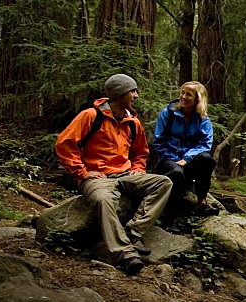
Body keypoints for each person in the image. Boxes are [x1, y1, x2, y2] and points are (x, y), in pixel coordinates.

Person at [56, 73, 172, 276]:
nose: (136, 95)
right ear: (119, 94)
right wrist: (81, 172)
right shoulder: (91, 116)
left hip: (126, 174)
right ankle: (124, 254)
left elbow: (140, 151)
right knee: (103, 199)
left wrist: (138, 169)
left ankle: (133, 232)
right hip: (97, 177)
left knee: (163, 183)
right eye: (132, 91)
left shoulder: (132, 122)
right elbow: (65, 143)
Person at [153, 81, 218, 216]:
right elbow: (159, 140)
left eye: (188, 95)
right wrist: (174, 159)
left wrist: (187, 159)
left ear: (198, 99)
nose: (183, 97)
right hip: (168, 159)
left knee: (207, 159)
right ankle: (171, 215)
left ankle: (201, 202)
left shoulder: (203, 119)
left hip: (188, 161)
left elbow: (205, 144)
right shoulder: (168, 114)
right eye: (182, 93)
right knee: (176, 172)